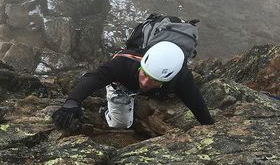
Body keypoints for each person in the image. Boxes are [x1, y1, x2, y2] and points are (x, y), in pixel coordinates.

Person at [52, 41, 214, 129]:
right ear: (142, 64)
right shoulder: (123, 64)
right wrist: (72, 102)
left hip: (156, 90)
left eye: (153, 80)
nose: (144, 82)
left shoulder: (181, 78)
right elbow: (95, 78)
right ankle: (106, 111)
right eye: (145, 74)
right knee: (121, 125)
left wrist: (211, 128)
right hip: (123, 86)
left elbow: (196, 103)